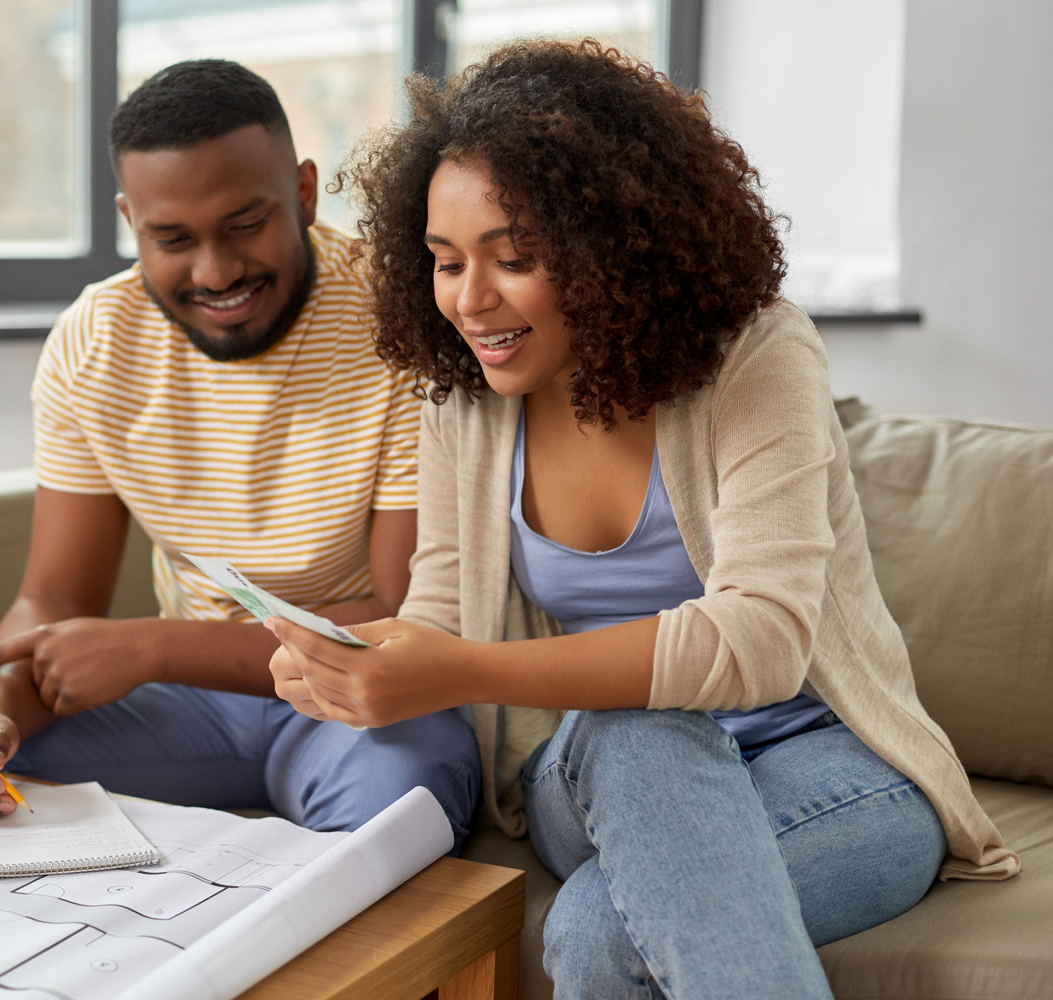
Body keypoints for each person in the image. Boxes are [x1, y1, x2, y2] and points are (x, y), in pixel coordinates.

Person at [264, 39, 1017, 997]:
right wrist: (354, 658)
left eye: (517, 258)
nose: (470, 300)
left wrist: (458, 669)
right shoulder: (465, 396)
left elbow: (764, 641)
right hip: (599, 775)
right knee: (634, 731)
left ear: (614, 244)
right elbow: (443, 612)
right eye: (446, 262)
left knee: (592, 933)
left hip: (836, 768)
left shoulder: (754, 356)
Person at [0, 59, 479, 850]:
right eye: (173, 239)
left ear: (301, 191)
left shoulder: (400, 321)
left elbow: (401, 622)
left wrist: (152, 647)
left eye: (244, 224)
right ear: (131, 221)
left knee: (402, 813)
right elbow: (53, 594)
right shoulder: (95, 342)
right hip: (196, 702)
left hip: (356, 698)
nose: (216, 270)